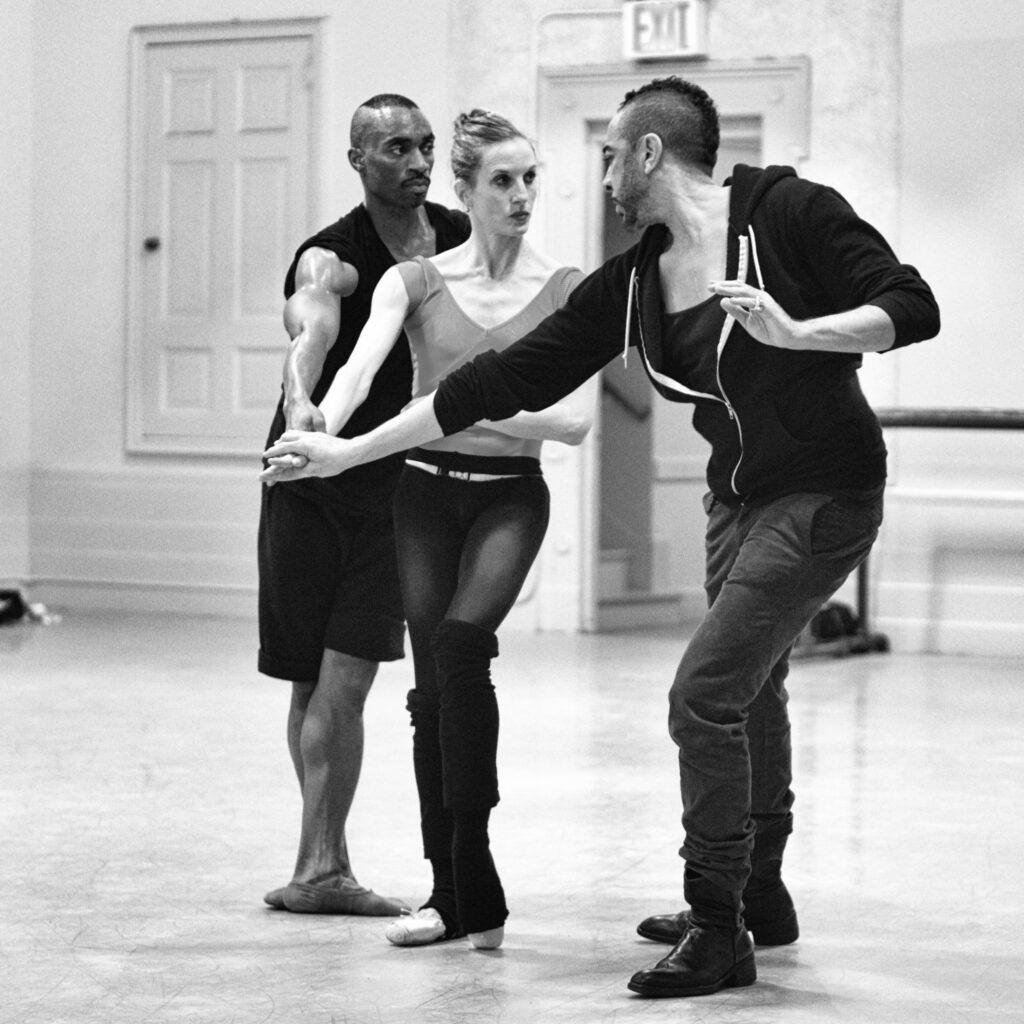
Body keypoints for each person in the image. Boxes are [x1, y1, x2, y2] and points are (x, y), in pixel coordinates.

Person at [260, 76, 940, 992]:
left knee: (703, 696)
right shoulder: (634, 279)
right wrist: (350, 452)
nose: (603, 173)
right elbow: (493, 384)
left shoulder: (786, 213)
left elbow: (911, 302)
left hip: (824, 492)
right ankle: (758, 892)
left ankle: (717, 923)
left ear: (650, 153)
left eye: (611, 155)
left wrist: (800, 331)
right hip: (734, 498)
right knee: (756, 685)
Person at [265, 109, 591, 948]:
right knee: (384, 689)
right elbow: (341, 353)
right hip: (390, 490)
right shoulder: (380, 269)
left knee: (448, 652)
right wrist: (315, 428)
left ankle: (466, 877)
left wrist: (469, 401)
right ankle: (406, 883)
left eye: (530, 180)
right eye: (503, 182)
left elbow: (577, 418)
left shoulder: (545, 278)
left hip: (478, 491)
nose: (521, 196)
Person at [257, 94, 470, 915]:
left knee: (343, 679)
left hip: (394, 488)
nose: (416, 162)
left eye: (424, 147)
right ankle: (321, 864)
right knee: (312, 682)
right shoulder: (333, 253)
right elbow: (311, 320)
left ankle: (319, 866)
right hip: (306, 475)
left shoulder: (457, 239)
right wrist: (300, 393)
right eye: (394, 149)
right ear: (358, 161)